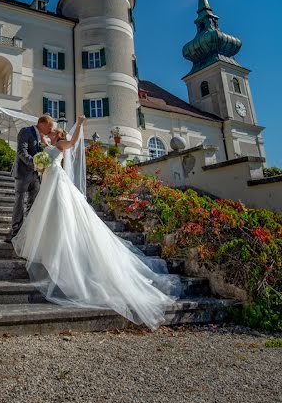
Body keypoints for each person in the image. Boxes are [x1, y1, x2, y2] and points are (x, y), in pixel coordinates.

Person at [12, 115, 179, 329]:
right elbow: (42, 164)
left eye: (53, 130)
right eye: (50, 129)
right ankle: (49, 252)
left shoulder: (62, 144)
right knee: (48, 219)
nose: (50, 132)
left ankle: (61, 254)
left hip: (58, 186)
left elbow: (72, 143)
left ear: (57, 133)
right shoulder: (47, 144)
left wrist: (80, 124)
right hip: (47, 185)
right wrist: (40, 164)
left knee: (62, 218)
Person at [8, 114, 56, 242]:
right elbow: (21, 152)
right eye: (49, 127)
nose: (51, 130)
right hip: (23, 174)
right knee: (19, 203)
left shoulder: (43, 137)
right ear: (42, 124)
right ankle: (15, 233)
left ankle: (27, 233)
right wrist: (36, 164)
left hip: (36, 176)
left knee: (33, 204)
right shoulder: (26, 131)